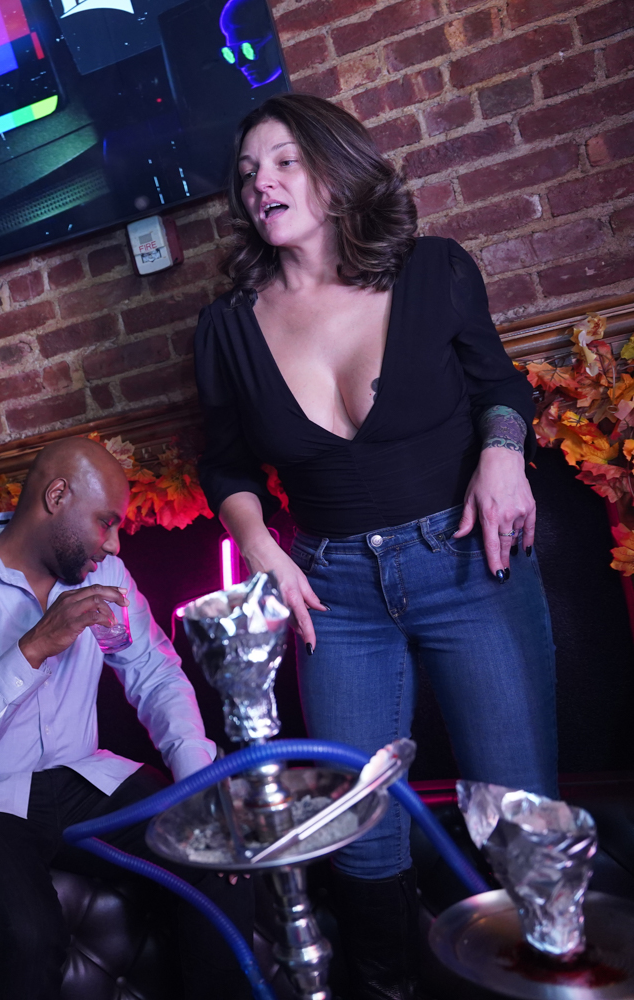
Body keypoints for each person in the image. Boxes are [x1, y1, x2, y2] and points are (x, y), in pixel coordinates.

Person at [193, 92, 557, 997]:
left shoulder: (434, 270)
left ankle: (549, 979)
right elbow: (226, 464)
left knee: (520, 818)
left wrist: (502, 453)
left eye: (284, 161)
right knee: (357, 837)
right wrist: (260, 544)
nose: (261, 183)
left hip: (470, 563)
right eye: (248, 173)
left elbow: (500, 388)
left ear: (335, 170)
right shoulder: (228, 326)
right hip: (336, 597)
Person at [0, 437, 254, 1000]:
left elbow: (154, 674)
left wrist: (198, 780)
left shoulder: (105, 573)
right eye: (105, 522)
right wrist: (34, 646)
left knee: (217, 858)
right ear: (57, 496)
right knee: (27, 937)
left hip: (81, 777)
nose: (113, 543)